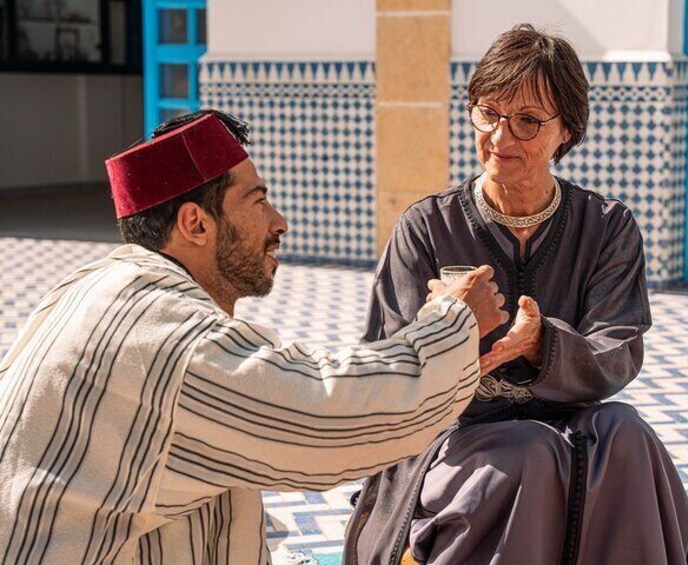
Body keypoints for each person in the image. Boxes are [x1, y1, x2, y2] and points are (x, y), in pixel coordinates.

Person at [0, 110, 509, 564]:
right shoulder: (171, 340)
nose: (279, 222)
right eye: (258, 201)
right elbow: (332, 417)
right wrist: (454, 321)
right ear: (196, 224)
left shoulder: (92, 286)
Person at [344, 25, 688, 565]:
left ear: (567, 132)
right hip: (452, 438)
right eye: (489, 113)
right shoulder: (426, 227)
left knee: (626, 432)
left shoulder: (606, 227)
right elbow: (383, 365)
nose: (501, 138)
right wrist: (446, 326)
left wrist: (540, 345)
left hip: (566, 421)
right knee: (528, 451)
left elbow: (618, 349)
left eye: (528, 121)